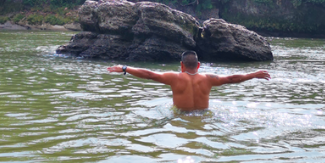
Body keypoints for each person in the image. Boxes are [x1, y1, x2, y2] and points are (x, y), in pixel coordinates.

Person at [107, 50, 271, 111]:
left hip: (181, 117)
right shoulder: (209, 79)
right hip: (204, 116)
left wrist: (125, 68)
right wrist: (253, 74)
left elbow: (149, 74)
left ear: (181, 65)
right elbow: (232, 79)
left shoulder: (174, 78)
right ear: (198, 65)